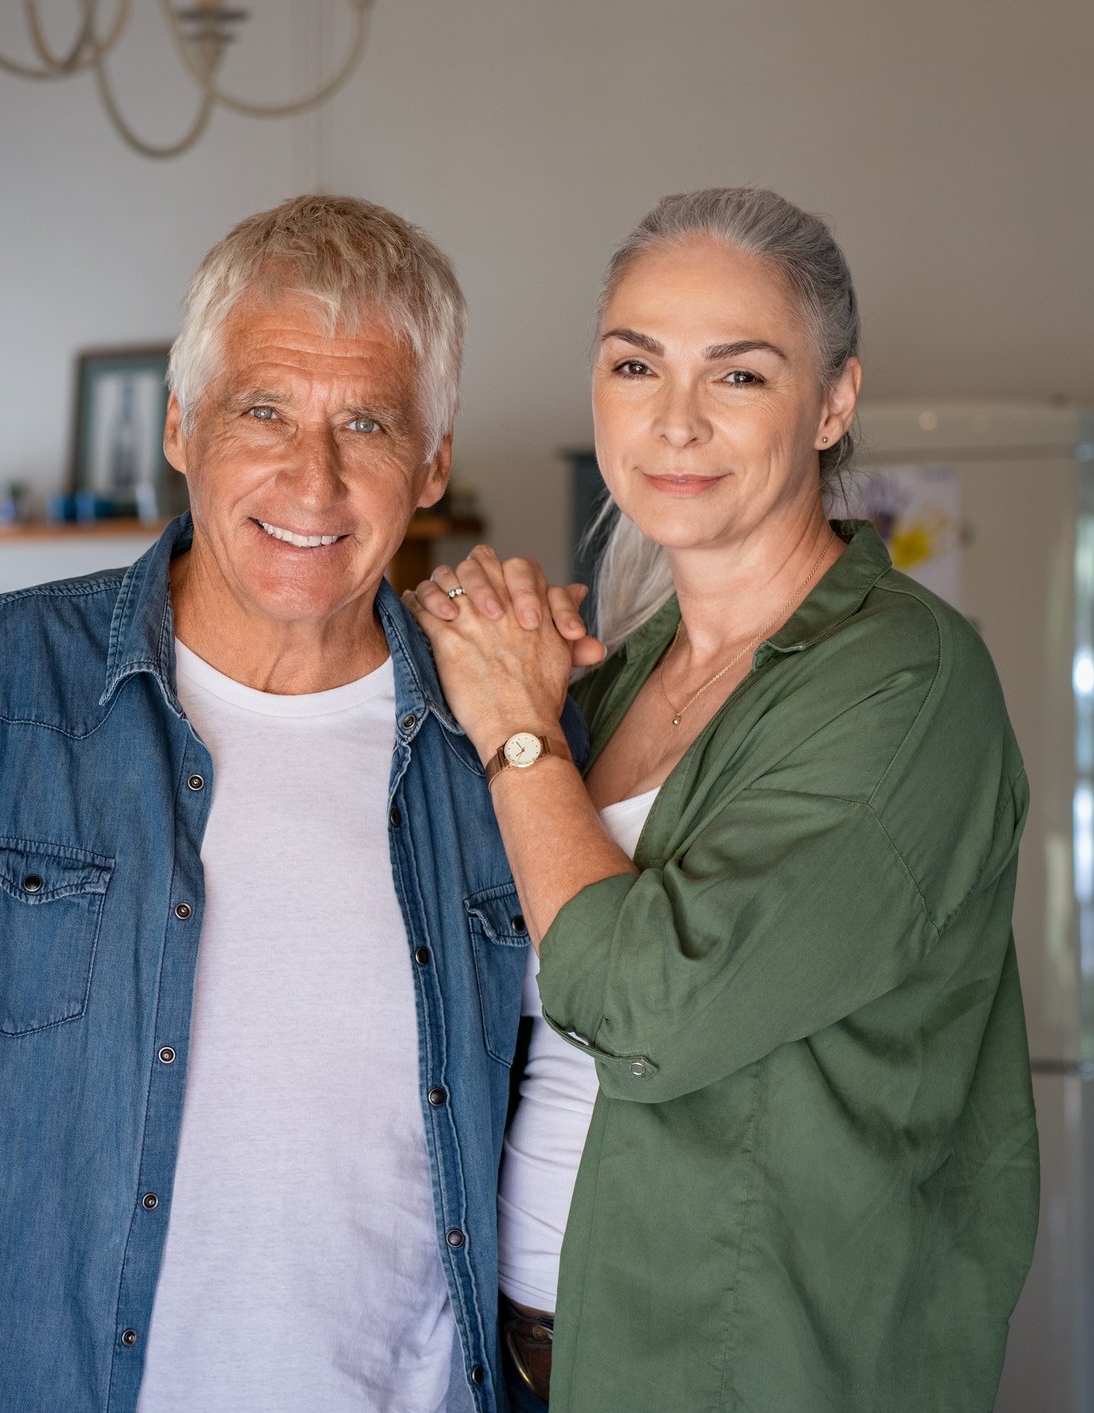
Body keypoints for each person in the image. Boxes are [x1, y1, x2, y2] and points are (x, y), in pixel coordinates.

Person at [0, 194, 588, 1413]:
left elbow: (596, 1108)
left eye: (366, 422)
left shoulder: (514, 741)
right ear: (179, 425)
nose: (312, 479)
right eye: (264, 409)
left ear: (432, 460)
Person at [409, 187, 1039, 1412]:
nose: (675, 421)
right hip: (516, 1356)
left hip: (735, 1371)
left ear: (834, 403)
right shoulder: (630, 668)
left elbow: (651, 1007)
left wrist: (518, 737)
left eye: (738, 376)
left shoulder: (907, 679)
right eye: (635, 364)